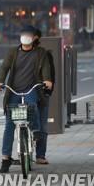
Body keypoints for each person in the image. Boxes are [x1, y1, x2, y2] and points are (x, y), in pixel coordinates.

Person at [0, 25, 52, 173]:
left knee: (32, 106)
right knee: (9, 124)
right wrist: (0, 81)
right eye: (23, 34)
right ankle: (5, 158)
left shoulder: (41, 53)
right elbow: (4, 68)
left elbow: (46, 69)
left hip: (31, 89)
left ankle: (36, 131)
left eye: (29, 34)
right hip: (13, 91)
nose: (26, 36)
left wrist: (47, 80)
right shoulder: (13, 52)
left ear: (34, 38)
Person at [33, 29, 55, 165]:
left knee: (42, 125)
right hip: (26, 93)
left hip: (42, 94)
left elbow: (51, 75)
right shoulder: (19, 53)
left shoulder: (44, 55)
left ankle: (40, 155)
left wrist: (48, 90)